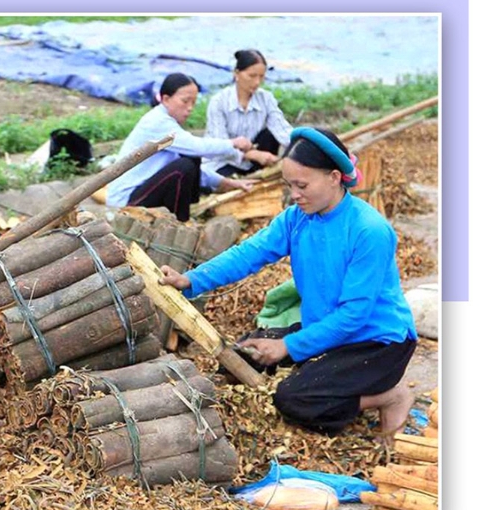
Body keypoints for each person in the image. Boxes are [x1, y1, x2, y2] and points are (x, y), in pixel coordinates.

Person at [159, 127, 418, 436]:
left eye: (302, 185)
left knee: (293, 399)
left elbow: (354, 315)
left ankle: (390, 396)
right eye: (289, 185)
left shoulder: (369, 230)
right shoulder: (297, 217)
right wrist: (190, 279)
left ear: (334, 177)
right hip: (327, 329)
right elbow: (249, 253)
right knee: (241, 358)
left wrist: (288, 346)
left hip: (375, 342)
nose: (294, 194)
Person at [105, 73, 255, 222]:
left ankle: (183, 215)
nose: (190, 108)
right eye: (185, 101)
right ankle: (181, 221)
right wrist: (233, 143)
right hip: (126, 203)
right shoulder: (157, 122)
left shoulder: (169, 126)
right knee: (184, 166)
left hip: (142, 192)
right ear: (166, 99)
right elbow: (198, 147)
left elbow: (197, 165)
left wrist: (228, 183)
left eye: (193, 102)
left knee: (190, 161)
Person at [204, 49, 294, 177]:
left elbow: (283, 130)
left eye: (261, 77)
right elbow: (220, 145)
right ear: (237, 73)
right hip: (223, 162)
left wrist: (301, 146)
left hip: (253, 162)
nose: (257, 82)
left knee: (269, 135)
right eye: (252, 76)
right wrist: (252, 154)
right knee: (226, 179)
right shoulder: (219, 102)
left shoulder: (266, 98)